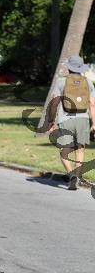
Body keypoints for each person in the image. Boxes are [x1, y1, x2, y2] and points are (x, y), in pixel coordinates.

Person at [49, 55, 95, 190]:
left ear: (69, 68)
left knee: (64, 151)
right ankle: (77, 175)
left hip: (65, 119)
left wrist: (51, 121)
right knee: (80, 150)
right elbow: (92, 104)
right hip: (83, 120)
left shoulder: (61, 82)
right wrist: (94, 123)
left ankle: (71, 174)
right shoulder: (88, 83)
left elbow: (54, 103)